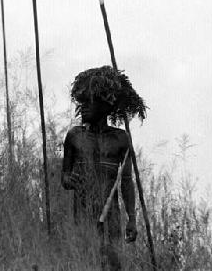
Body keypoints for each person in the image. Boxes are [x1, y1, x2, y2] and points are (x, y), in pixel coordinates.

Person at [61, 66, 147, 270]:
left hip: (112, 218)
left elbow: (126, 181)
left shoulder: (120, 139)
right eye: (81, 102)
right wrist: (68, 180)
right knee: (87, 262)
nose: (83, 107)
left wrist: (132, 219)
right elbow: (64, 178)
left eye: (89, 101)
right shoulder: (75, 136)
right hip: (83, 215)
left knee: (113, 264)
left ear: (105, 105)